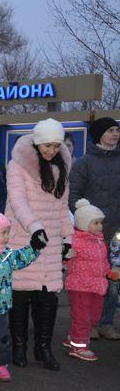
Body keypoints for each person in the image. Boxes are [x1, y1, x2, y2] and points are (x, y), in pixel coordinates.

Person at [6, 118, 73, 372]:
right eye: (47, 145)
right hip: (25, 236)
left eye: (56, 145)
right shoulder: (17, 164)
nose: (52, 151)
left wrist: (67, 239)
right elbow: (17, 201)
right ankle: (19, 345)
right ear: (36, 142)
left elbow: (62, 207)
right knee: (21, 294)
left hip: (52, 238)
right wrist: (35, 228)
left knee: (48, 297)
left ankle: (43, 347)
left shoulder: (62, 166)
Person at [69, 117, 120, 341]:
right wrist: (86, 222)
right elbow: (73, 196)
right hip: (92, 233)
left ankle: (105, 323)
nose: (115, 134)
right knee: (88, 280)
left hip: (117, 230)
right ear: (99, 134)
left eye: (117, 130)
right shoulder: (84, 163)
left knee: (113, 278)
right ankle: (87, 324)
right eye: (110, 130)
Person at [0, 205, 39, 382]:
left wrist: (34, 247)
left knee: (0, 337)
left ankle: (0, 364)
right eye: (3, 232)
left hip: (1, 306)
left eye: (7, 232)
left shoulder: (7, 255)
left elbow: (22, 257)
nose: (7, 236)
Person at [63, 199, 118, 361]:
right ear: (83, 223)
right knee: (82, 316)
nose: (100, 226)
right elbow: (65, 258)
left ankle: (73, 337)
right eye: (96, 223)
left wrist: (110, 271)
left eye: (100, 222)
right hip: (80, 286)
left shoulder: (99, 240)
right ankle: (79, 346)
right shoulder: (75, 241)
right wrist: (66, 256)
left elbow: (103, 261)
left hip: (97, 285)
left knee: (94, 316)